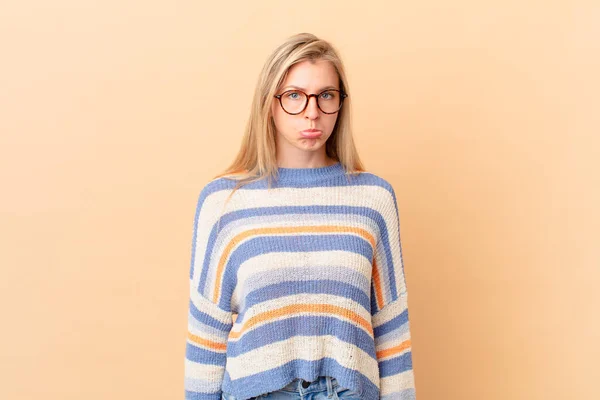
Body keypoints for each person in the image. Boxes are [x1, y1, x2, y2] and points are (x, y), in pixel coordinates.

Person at [184, 33, 417, 400]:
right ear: (269, 103)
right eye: (295, 95)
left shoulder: (373, 198)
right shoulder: (224, 202)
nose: (312, 112)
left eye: (326, 95)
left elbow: (390, 327)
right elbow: (206, 332)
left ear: (341, 103)